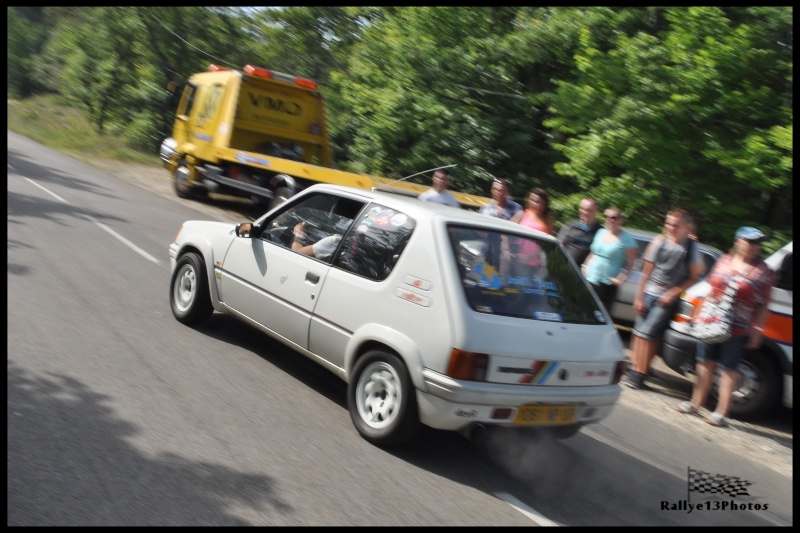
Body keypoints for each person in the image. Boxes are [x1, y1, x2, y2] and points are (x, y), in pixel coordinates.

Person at [676, 227, 774, 427]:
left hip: (738, 326)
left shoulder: (763, 271)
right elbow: (710, 289)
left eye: (757, 243)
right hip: (712, 321)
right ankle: (696, 403)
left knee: (729, 369)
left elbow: (764, 304)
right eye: (750, 241)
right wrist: (696, 316)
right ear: (738, 241)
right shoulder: (724, 261)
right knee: (704, 363)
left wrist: (758, 330)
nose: (754, 246)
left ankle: (721, 413)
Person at [623, 208, 705, 390]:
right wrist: (639, 296)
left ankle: (639, 375)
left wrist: (673, 293)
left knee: (647, 334)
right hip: (649, 293)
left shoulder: (691, 247)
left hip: (666, 298)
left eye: (675, 225)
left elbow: (694, 276)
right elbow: (646, 271)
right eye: (668, 223)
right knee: (639, 334)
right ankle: (635, 368)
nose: (670, 228)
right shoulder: (659, 241)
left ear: (686, 227)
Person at [582, 206, 637, 312]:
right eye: (607, 217)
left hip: (607, 284)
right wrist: (584, 266)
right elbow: (593, 252)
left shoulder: (627, 239)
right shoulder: (600, 232)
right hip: (590, 278)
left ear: (621, 220)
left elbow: (631, 263)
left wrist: (620, 279)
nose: (610, 220)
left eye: (614, 217)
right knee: (584, 310)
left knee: (600, 314)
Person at [558, 197, 601, 266]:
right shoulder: (570, 226)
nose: (584, 212)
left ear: (596, 211)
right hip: (564, 269)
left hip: (584, 274)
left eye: (588, 210)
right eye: (582, 209)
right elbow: (558, 246)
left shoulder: (600, 232)